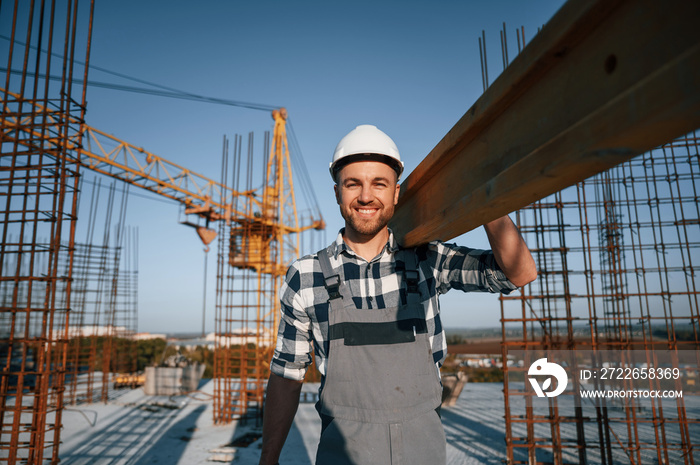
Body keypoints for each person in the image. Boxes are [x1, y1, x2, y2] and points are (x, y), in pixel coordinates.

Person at [259, 124, 537, 465]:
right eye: (353, 184)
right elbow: (287, 375)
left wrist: (483, 194)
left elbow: (518, 273)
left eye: (379, 183)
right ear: (337, 193)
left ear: (396, 193)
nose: (365, 196)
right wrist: (267, 459)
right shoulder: (306, 277)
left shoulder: (427, 260)